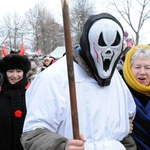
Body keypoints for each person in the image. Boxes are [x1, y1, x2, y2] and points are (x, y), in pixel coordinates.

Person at [21, 13, 136, 150]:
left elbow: (124, 130)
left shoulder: (116, 79)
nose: (108, 52)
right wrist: (62, 147)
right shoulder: (55, 77)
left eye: (114, 44)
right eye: (102, 43)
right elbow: (33, 135)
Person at [0, 45, 31, 150]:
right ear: (5, 72)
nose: (14, 75)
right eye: (10, 71)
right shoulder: (1, 93)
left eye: (18, 71)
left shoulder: (32, 93)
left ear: (24, 72)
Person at [123, 44, 150, 150]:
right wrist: (120, 126)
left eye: (148, 68)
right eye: (137, 67)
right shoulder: (120, 92)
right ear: (129, 69)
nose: (142, 72)